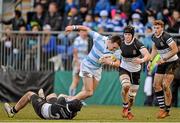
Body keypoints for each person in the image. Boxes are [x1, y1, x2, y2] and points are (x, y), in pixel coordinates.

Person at [65, 25, 121, 101]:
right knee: (88, 92)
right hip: (87, 66)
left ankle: (65, 98)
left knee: (88, 93)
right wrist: (73, 27)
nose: (114, 50)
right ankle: (69, 101)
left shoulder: (117, 50)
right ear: (110, 41)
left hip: (97, 69)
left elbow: (118, 63)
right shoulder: (99, 38)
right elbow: (86, 29)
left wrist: (110, 62)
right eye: (114, 47)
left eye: (116, 48)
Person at [147, 20, 179, 118]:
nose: (156, 30)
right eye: (155, 28)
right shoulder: (153, 37)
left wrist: (164, 58)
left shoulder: (166, 37)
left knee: (165, 85)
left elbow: (175, 50)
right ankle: (162, 108)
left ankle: (167, 109)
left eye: (158, 28)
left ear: (162, 28)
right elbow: (155, 49)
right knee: (156, 85)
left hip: (172, 62)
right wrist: (150, 61)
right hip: (162, 62)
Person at [119, 25, 150, 120]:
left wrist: (142, 60)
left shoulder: (137, 44)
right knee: (126, 86)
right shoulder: (120, 42)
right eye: (125, 34)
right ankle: (125, 107)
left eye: (129, 34)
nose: (127, 36)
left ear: (132, 35)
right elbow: (111, 49)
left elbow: (148, 55)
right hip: (124, 69)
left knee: (132, 97)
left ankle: (128, 110)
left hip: (136, 72)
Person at [4, 90, 82, 119]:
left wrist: (71, 96)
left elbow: (61, 95)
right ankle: (43, 98)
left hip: (41, 109)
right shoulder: (72, 115)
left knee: (29, 94)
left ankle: (12, 111)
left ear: (70, 103)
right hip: (52, 110)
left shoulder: (62, 102)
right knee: (52, 95)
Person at [69, 30, 89, 96]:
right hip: (77, 62)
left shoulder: (87, 40)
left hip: (85, 63)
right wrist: (78, 63)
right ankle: (71, 98)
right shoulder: (77, 40)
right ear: (79, 33)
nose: (84, 33)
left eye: (85, 31)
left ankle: (80, 100)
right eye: (82, 32)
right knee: (75, 81)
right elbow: (75, 52)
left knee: (85, 82)